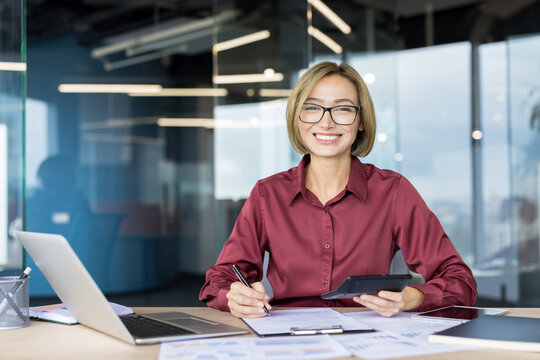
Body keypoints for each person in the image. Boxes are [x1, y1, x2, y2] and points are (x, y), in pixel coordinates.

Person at [199, 61, 477, 318]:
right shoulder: (266, 195)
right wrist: (234, 295)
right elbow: (219, 281)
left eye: (343, 109)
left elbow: (459, 281)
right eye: (312, 108)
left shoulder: (393, 191)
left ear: (361, 122)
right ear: (297, 118)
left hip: (371, 336)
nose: (326, 122)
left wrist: (413, 297)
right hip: (287, 338)